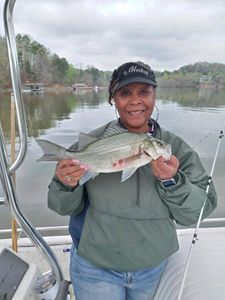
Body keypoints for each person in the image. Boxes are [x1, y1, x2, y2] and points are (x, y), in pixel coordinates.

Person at [48, 61, 217, 300]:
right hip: (94, 269)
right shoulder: (91, 144)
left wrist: (172, 181)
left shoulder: (175, 148)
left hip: (153, 267)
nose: (136, 101)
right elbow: (60, 206)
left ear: (154, 96)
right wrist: (66, 183)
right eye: (125, 93)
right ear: (113, 99)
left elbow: (195, 214)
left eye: (144, 92)